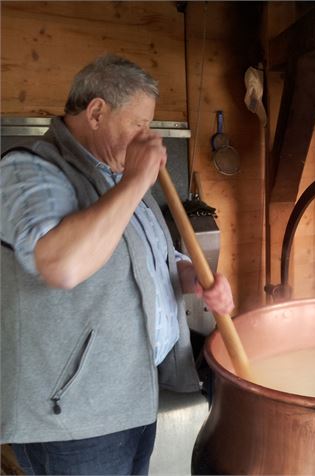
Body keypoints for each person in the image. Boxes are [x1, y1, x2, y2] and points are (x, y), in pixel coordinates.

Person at [0, 54, 234, 475]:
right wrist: (135, 182)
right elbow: (62, 266)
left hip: (131, 395)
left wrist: (193, 277)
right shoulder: (31, 168)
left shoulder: (119, 177)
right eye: (139, 125)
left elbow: (150, 255)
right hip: (73, 419)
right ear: (96, 112)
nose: (147, 138)